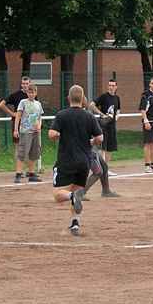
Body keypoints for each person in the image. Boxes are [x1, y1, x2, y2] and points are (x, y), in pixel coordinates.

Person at [48, 85, 104, 236]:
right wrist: (90, 142)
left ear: (69, 98)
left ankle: (73, 197)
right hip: (84, 162)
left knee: (59, 194)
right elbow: (99, 138)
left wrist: (62, 135)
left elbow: (52, 134)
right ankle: (75, 223)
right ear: (83, 98)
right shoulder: (89, 116)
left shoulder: (62, 115)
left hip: (66, 160)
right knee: (77, 191)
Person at [0, 76, 32, 178]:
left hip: (29, 124)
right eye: (23, 84)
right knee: (18, 147)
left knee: (29, 148)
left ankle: (29, 170)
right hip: (18, 124)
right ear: (21, 84)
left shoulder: (32, 95)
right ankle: (19, 171)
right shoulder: (16, 95)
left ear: (30, 84)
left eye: (27, 84)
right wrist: (12, 114)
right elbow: (1, 104)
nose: (25, 86)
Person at [89, 79, 121, 175]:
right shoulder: (104, 96)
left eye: (113, 85)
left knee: (110, 148)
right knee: (103, 147)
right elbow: (91, 105)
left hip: (112, 126)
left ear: (116, 87)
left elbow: (118, 109)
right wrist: (101, 114)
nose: (111, 87)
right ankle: (102, 168)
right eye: (109, 85)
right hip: (103, 125)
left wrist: (117, 116)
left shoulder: (117, 98)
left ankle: (106, 169)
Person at [13, 83, 44, 183]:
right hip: (25, 131)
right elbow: (18, 116)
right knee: (22, 152)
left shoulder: (38, 104)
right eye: (29, 92)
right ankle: (18, 173)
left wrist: (39, 125)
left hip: (35, 131)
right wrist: (16, 129)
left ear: (36, 93)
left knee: (34, 152)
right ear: (27, 93)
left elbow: (39, 117)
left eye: (33, 92)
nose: (31, 94)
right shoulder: (23, 102)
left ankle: (31, 173)